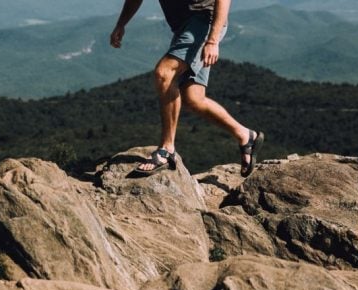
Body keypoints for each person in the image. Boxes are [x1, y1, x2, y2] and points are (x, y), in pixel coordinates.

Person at [110, 0, 264, 177]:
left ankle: (167, 149)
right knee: (193, 99)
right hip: (184, 26)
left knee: (164, 73)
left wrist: (213, 41)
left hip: (205, 21)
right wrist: (121, 24)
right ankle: (246, 136)